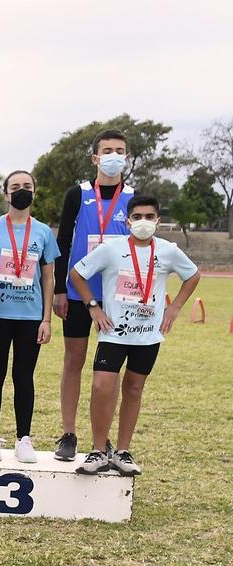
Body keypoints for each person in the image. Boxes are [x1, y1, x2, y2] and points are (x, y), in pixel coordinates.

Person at [69, 195, 199, 476]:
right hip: (113, 332)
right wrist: (93, 307)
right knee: (102, 387)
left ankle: (123, 452)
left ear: (158, 221)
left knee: (134, 389)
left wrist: (174, 308)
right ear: (127, 221)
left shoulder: (168, 250)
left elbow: (193, 275)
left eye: (149, 217)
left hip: (148, 335)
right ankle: (98, 451)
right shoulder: (111, 249)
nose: (143, 222)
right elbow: (77, 274)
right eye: (137, 217)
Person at [52, 129, 135, 461]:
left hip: (116, 298)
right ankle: (68, 433)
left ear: (126, 157)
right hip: (76, 291)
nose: (114, 155)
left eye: (120, 150)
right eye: (107, 150)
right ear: (95, 158)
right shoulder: (78, 194)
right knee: (74, 361)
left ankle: (103, 436)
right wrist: (59, 288)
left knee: (109, 371)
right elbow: (63, 243)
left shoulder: (133, 197)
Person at [0, 171, 60, 463]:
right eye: (15, 187)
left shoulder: (43, 232)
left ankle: (24, 438)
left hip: (30, 317)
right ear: (5, 194)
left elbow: (48, 278)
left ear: (34, 192)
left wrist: (46, 319)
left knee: (24, 377)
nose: (21, 191)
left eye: (27, 186)